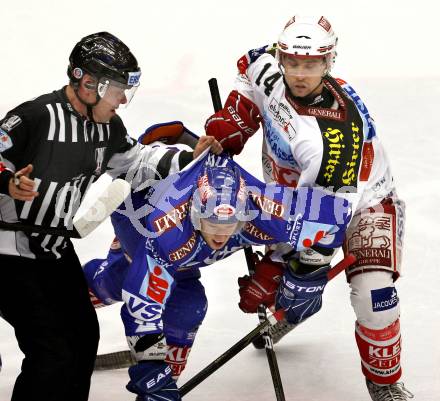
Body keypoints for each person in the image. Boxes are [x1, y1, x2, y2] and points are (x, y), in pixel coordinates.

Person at [0, 32, 220, 401]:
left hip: (53, 248)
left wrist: (189, 156)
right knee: (52, 350)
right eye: (117, 89)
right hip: (7, 251)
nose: (122, 100)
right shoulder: (35, 116)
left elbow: (136, 163)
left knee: (83, 337)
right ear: (87, 83)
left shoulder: (107, 127)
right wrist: (7, 183)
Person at [204, 15, 413, 401]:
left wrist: (279, 269)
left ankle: (385, 384)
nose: (300, 74)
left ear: (329, 62)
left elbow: (322, 228)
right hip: (296, 198)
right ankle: (293, 310)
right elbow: (249, 71)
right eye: (293, 63)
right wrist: (233, 123)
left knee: (374, 297)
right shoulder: (271, 65)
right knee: (287, 289)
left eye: (311, 65)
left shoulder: (330, 141)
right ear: (282, 56)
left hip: (366, 203)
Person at [83, 146, 352, 401]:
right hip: (137, 216)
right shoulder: (168, 229)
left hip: (185, 241)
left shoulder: (266, 209)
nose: (222, 234)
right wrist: (150, 370)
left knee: (188, 305)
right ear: (197, 214)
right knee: (121, 282)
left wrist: (305, 274)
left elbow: (336, 215)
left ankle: (167, 376)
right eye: (213, 223)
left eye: (232, 223)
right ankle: (56, 309)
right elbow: (142, 304)